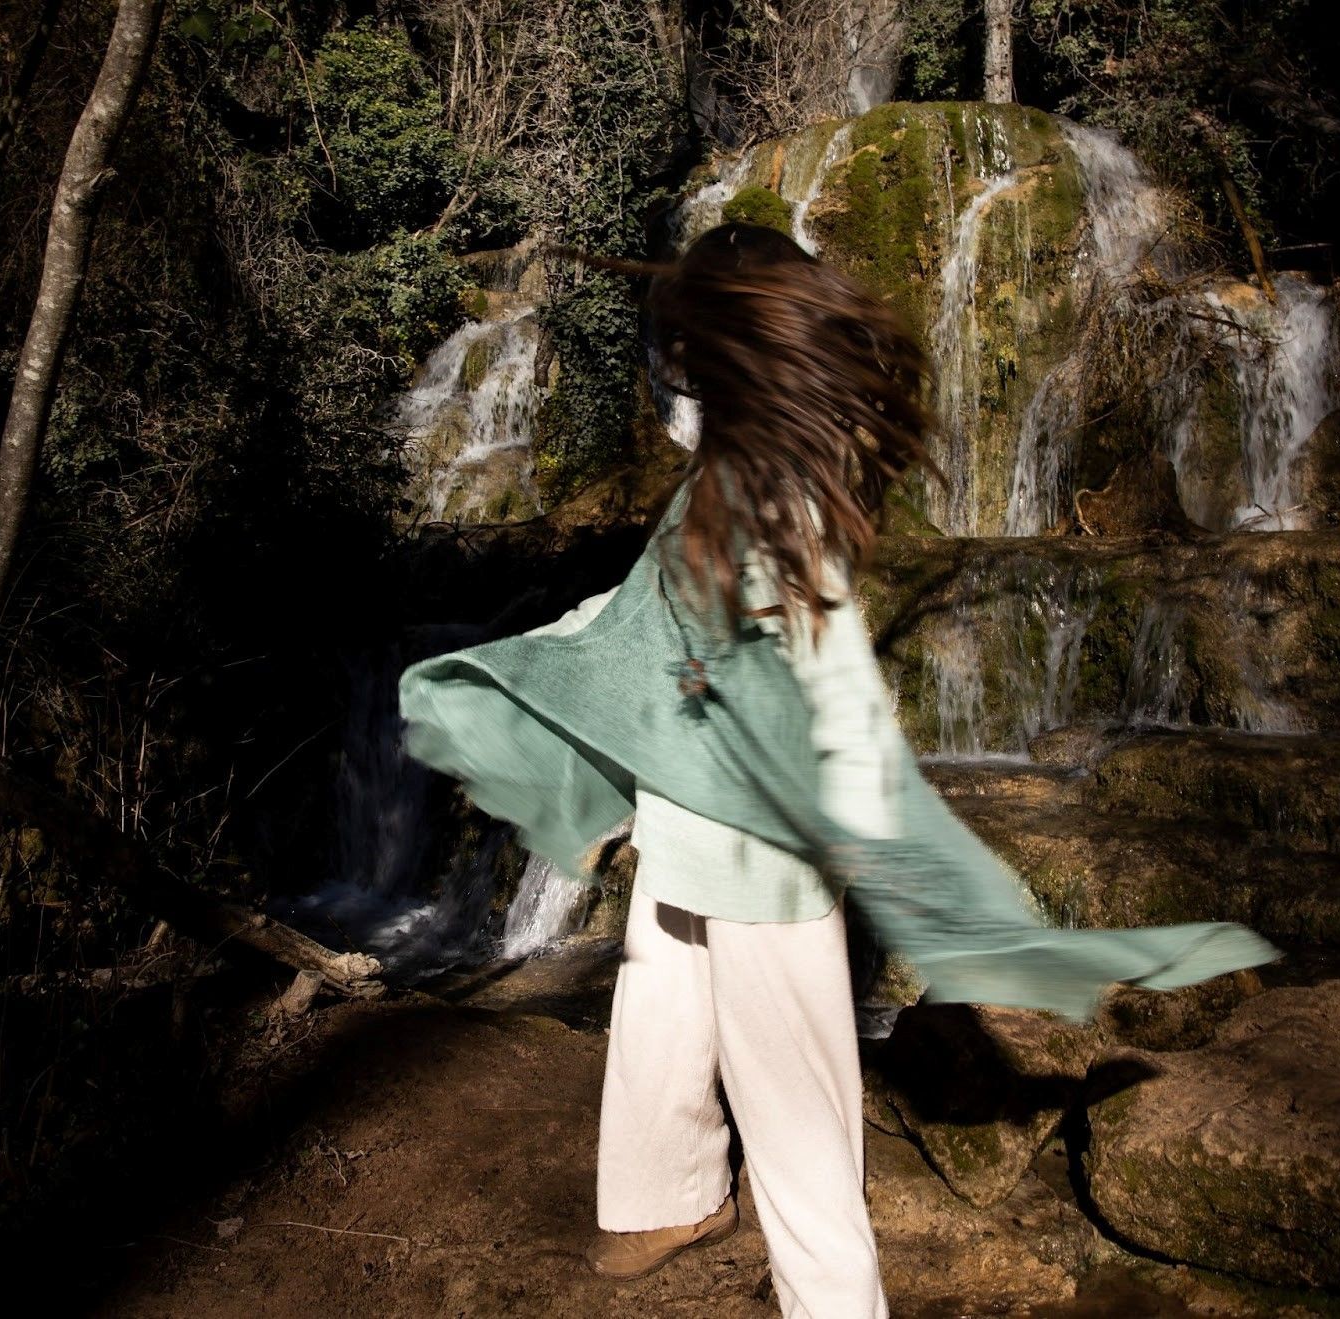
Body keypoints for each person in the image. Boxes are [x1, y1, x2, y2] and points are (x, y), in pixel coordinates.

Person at [398, 223, 1278, 1319]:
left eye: (684, 359)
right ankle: (737, 1244)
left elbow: (727, 653)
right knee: (741, 1059)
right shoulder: (760, 483)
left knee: (725, 1041)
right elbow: (750, 662)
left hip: (721, 832)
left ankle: (727, 1239)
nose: (671, 386)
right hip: (730, 834)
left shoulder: (740, 489)